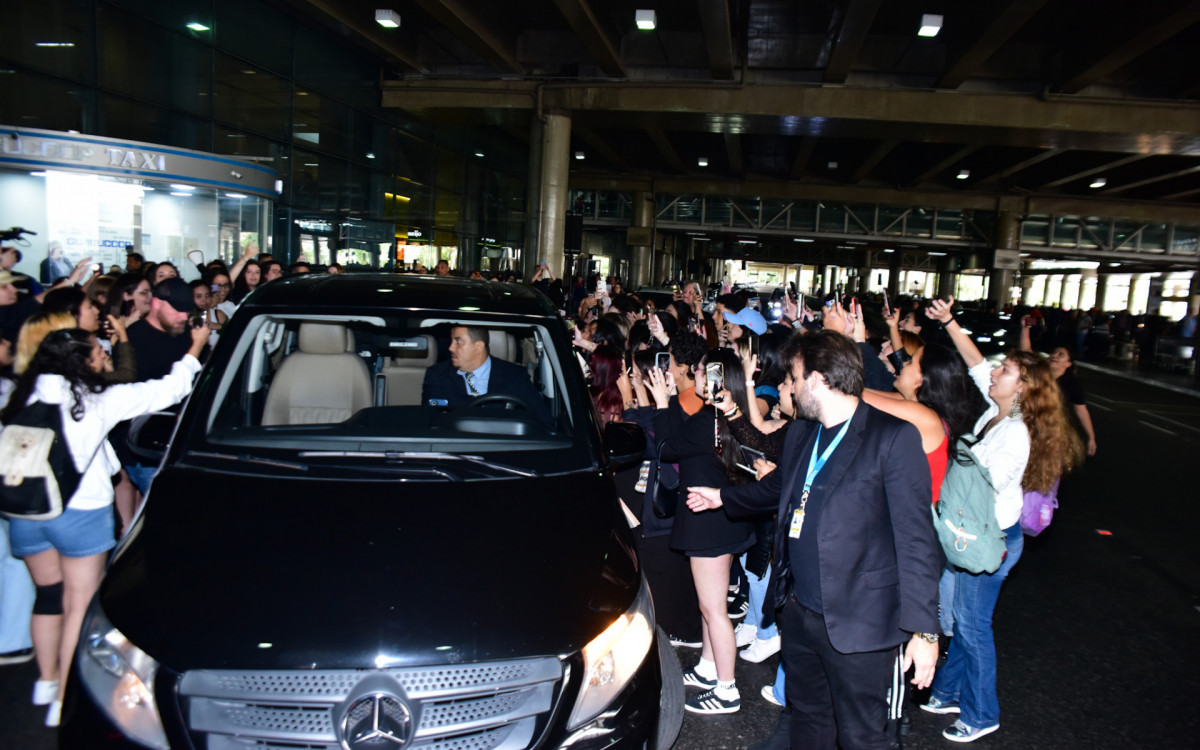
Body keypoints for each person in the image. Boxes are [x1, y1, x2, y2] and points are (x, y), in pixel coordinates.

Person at [686, 329, 941, 749]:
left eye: (794, 377)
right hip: (801, 612)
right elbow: (777, 490)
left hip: (862, 625)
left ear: (819, 380)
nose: (788, 385)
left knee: (863, 736)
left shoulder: (892, 438)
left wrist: (924, 632)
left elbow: (917, 542)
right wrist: (722, 498)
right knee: (807, 721)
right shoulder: (804, 433)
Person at [2, 324, 208, 726]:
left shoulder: (17, 394)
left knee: (47, 597)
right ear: (82, 363)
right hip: (79, 515)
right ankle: (65, 699)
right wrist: (196, 347)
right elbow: (167, 390)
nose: (105, 357)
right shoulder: (96, 401)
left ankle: (45, 683)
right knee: (79, 603)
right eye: (98, 354)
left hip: (25, 512)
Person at [921, 296, 1081, 742]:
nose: (993, 372)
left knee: (972, 626)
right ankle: (949, 690)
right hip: (973, 533)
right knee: (961, 613)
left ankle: (981, 712)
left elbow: (981, 491)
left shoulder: (1015, 435)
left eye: (1004, 371)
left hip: (990, 538)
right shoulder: (998, 411)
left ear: (1025, 386)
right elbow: (975, 363)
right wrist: (950, 322)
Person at [645, 335, 753, 715]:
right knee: (714, 605)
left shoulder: (709, 420)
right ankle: (709, 668)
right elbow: (680, 439)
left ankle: (727, 689)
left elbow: (667, 447)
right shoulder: (732, 415)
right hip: (723, 520)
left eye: (705, 371)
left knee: (714, 609)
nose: (697, 375)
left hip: (709, 523)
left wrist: (662, 404)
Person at [420, 325, 549, 424]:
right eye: (451, 341)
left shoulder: (515, 376)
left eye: (458, 342)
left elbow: (543, 423)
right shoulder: (437, 375)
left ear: (478, 347)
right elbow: (429, 423)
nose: (451, 348)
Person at [1019, 320, 1097, 456]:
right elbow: (1025, 352)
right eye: (1054, 353)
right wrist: (1025, 328)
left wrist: (1091, 438)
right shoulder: (1039, 370)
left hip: (1048, 428)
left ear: (1068, 364)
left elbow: (1081, 411)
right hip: (1024, 420)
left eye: (1061, 355)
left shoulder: (1072, 384)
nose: (1054, 356)